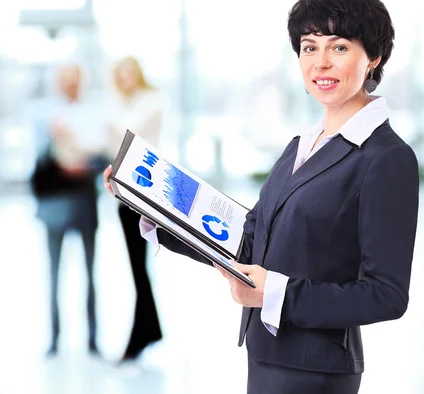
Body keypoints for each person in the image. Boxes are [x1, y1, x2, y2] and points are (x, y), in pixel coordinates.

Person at [104, 0, 419, 392]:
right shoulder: (299, 147)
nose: (320, 62)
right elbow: (249, 240)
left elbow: (386, 295)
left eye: (338, 47)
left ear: (373, 56)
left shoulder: (387, 158)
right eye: (309, 47)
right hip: (267, 354)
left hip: (317, 371)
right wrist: (156, 207)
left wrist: (275, 293)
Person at [31, 63, 106, 357]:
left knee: (90, 271)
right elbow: (36, 166)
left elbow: (103, 157)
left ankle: (92, 338)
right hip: (56, 202)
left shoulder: (94, 113)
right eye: (66, 81)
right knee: (54, 272)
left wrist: (86, 163)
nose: (71, 85)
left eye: (76, 80)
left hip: (84, 199)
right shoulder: (46, 116)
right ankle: (54, 338)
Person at [107, 56, 164, 363]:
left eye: (129, 73)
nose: (125, 79)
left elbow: (128, 133)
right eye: (120, 74)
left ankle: (143, 334)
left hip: (144, 195)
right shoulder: (122, 103)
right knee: (137, 269)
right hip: (125, 194)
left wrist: (104, 123)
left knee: (140, 268)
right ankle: (147, 330)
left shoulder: (150, 101)